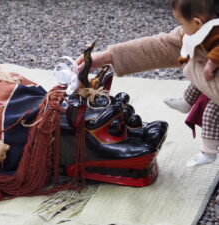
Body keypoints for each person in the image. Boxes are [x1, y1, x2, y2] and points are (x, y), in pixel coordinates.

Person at [76, 0, 219, 167]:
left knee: (210, 110)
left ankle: (208, 149)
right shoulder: (204, 23)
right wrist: (107, 57)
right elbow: (172, 44)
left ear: (197, 22)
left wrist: (193, 69)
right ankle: (187, 103)